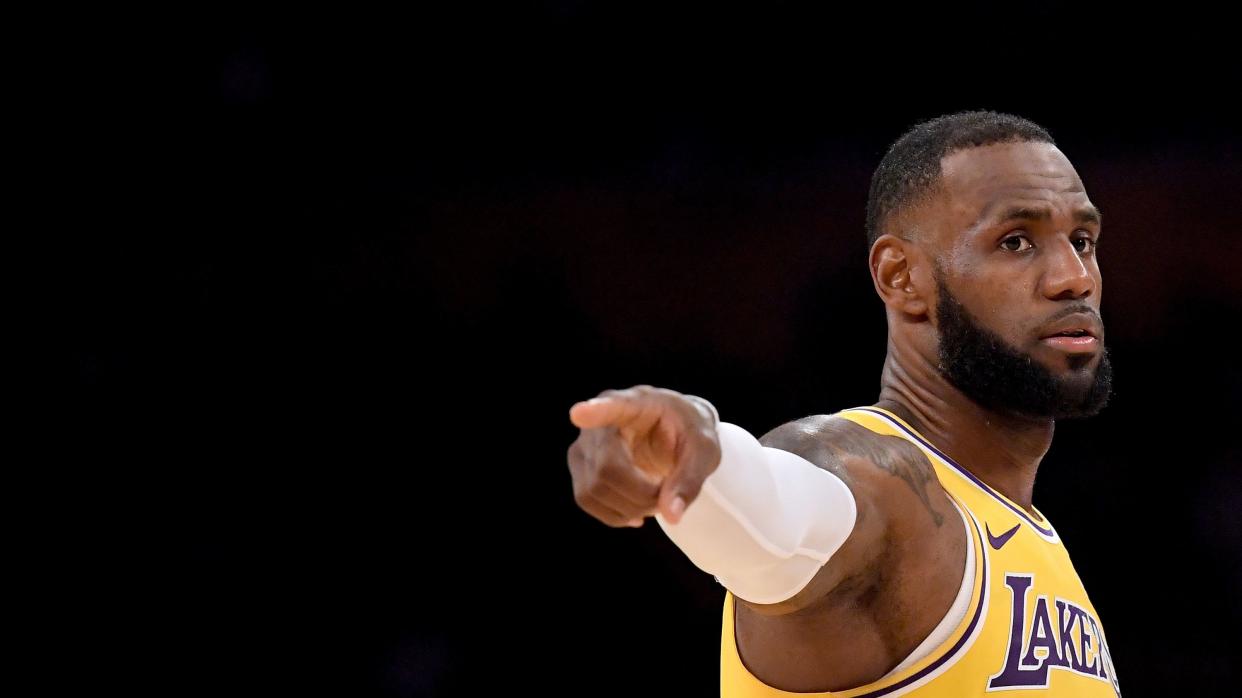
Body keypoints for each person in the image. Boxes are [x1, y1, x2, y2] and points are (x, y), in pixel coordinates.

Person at [566, 111, 1122, 697]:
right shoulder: (882, 484)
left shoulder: (1023, 529)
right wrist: (696, 455)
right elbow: (785, 513)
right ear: (902, 276)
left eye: (1083, 241)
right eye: (1016, 242)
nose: (1073, 276)